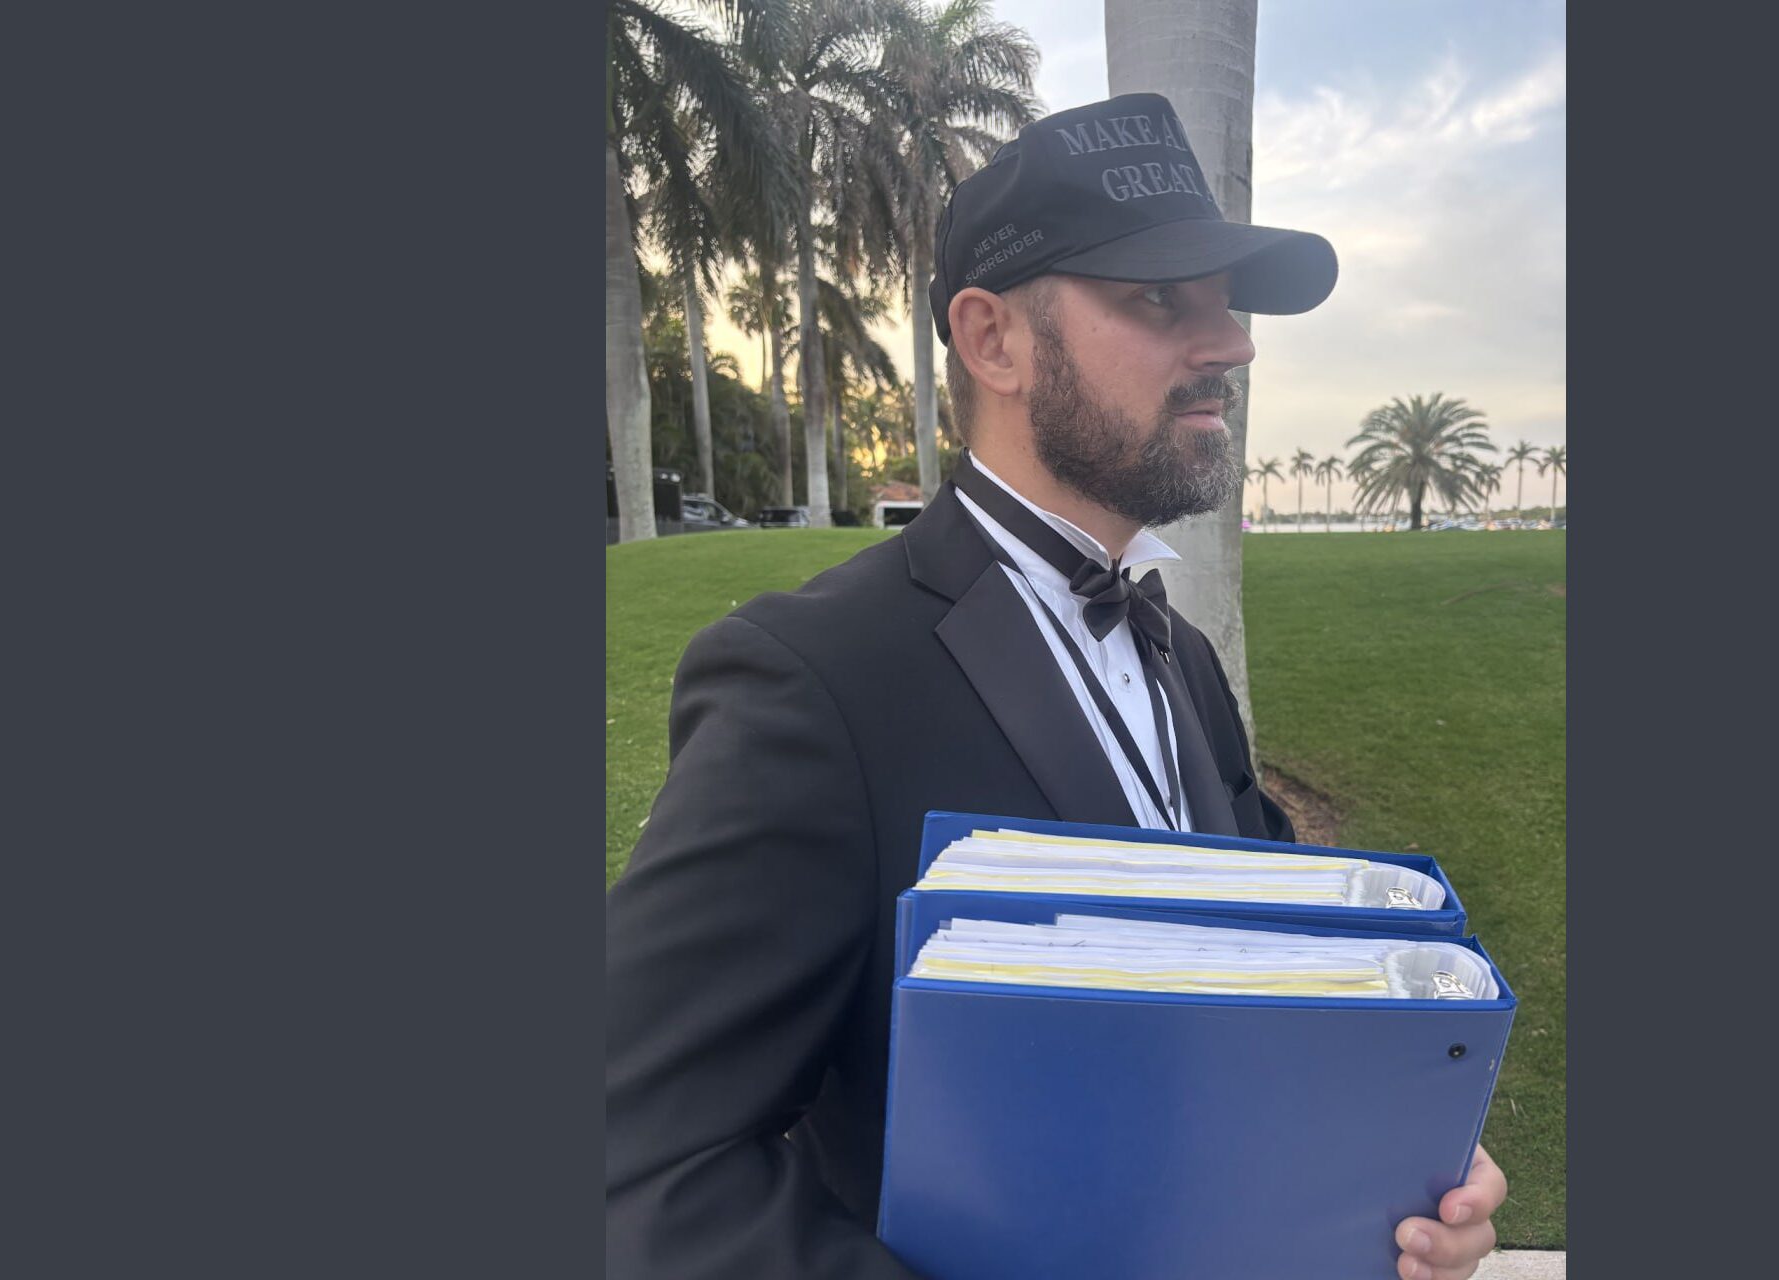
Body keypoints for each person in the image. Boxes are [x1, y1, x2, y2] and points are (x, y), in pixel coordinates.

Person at [606, 92, 1507, 1280]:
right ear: (993, 341)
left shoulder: (1180, 654)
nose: (1230, 343)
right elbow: (639, 1165)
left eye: (1225, 304)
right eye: (1156, 299)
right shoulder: (810, 679)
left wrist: (1402, 1174)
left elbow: (1265, 981)